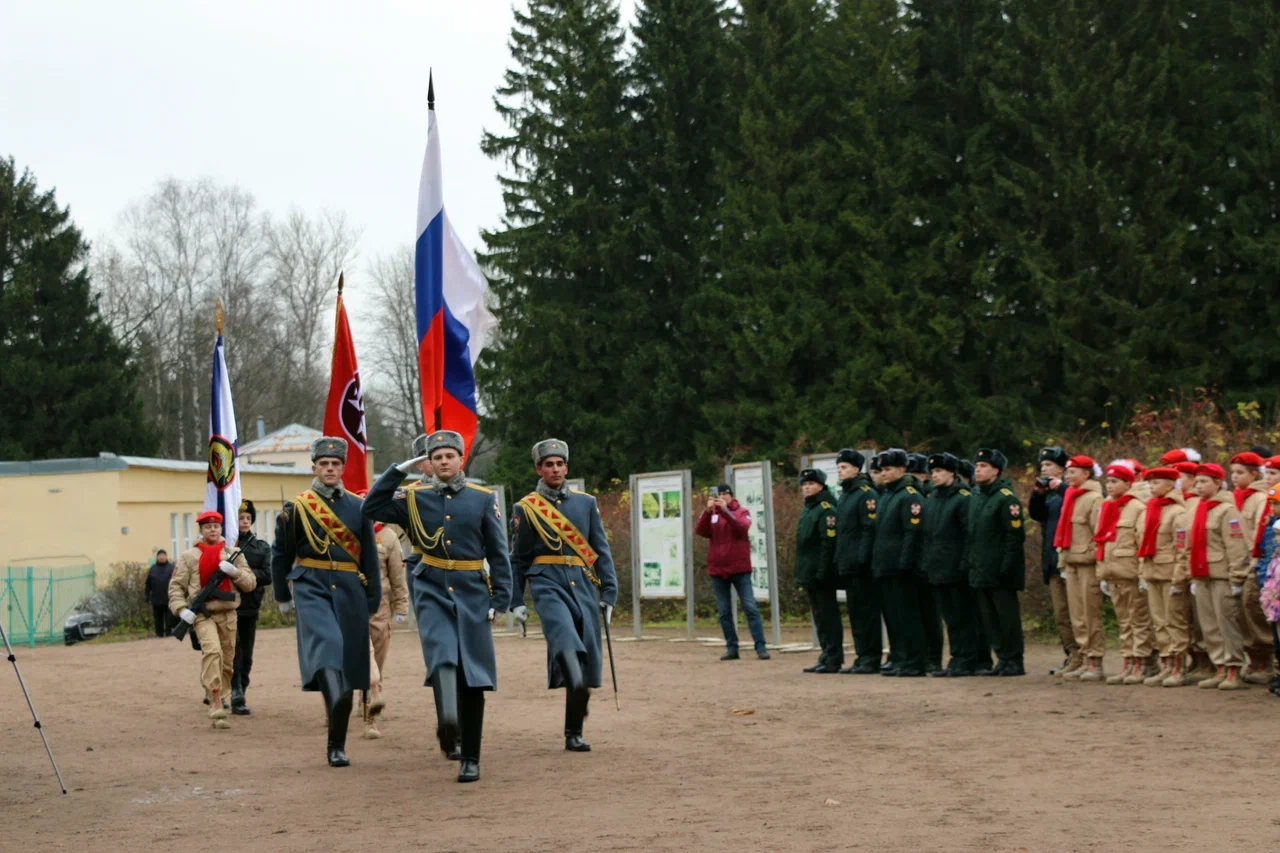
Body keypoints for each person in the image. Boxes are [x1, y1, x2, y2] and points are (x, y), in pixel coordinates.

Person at [363, 430, 510, 781]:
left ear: (461, 459)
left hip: (473, 592)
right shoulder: (413, 498)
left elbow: (498, 551)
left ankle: (471, 757)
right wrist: (397, 470)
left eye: (450, 455)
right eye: (437, 456)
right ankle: (447, 723)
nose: (444, 461)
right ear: (428, 463)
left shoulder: (481, 497)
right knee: (443, 654)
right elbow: (370, 507)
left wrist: (501, 596)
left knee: (474, 675)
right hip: (431, 588)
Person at [271, 436, 382, 767]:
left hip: (350, 588)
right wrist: (281, 595)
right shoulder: (297, 508)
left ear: (343, 468)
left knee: (348, 666)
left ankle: (337, 743)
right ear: (314, 468)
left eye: (335, 464)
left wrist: (373, 597)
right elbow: (281, 555)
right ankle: (335, 701)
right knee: (328, 647)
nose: (330, 469)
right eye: (324, 464)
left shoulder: (359, 507)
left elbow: (370, 557)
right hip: (311, 586)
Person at [510, 439, 618, 753]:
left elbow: (600, 551)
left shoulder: (585, 503)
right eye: (548, 464)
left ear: (566, 467)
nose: (555, 469)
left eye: (559, 464)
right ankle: (575, 683)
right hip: (546, 584)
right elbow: (519, 559)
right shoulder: (526, 507)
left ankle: (574, 732)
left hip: (582, 585)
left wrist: (609, 592)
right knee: (566, 642)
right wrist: (516, 600)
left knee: (585, 656)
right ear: (538, 469)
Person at [168, 511, 253, 729]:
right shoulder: (189, 556)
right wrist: (181, 609)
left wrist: (235, 572)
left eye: (216, 526)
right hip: (202, 614)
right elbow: (176, 587)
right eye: (208, 527)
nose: (212, 530)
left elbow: (250, 583)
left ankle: (219, 693)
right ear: (201, 531)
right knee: (212, 651)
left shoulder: (233, 553)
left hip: (228, 615)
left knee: (227, 663)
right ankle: (215, 701)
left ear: (221, 529)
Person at [1180, 462, 1250, 690]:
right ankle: (1219, 666)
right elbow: (1189, 546)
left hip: (1221, 575)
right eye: (1197, 481)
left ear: (1218, 484)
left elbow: (1236, 546)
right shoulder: (1197, 509)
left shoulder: (1226, 510)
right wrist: (1191, 575)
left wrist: (1237, 577)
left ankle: (1233, 669)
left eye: (1204, 482)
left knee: (1226, 623)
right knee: (1209, 625)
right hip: (1201, 575)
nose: (1198, 486)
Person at [966, 448, 1026, 676]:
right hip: (980, 568)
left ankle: (1014, 659)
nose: (977, 470)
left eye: (983, 466)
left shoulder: (1006, 498)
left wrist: (1006, 568)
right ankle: (1002, 658)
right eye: (976, 466)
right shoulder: (977, 497)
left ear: (996, 471)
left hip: (1001, 571)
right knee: (989, 619)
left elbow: (1014, 537)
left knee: (1007, 618)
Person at [1094, 463, 1154, 685]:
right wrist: (1102, 572)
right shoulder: (1107, 506)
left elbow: (1141, 541)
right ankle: (1128, 661)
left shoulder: (1137, 507)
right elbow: (1101, 541)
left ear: (1128, 484)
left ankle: (1142, 662)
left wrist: (1142, 574)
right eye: (1108, 481)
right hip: (1112, 572)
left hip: (1130, 572)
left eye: (1115, 482)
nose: (1110, 486)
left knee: (1138, 619)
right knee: (1124, 621)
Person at [356, 490, 410, 739]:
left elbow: (398, 577)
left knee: (377, 659)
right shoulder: (349, 533)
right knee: (362, 661)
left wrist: (401, 608)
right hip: (353, 604)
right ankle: (370, 717)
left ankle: (365, 697)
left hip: (379, 606)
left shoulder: (388, 537)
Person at [695, 484, 769, 661]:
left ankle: (760, 647)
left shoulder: (741, 512)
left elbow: (741, 528)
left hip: (740, 569)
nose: (720, 497)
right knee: (724, 612)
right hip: (718, 571)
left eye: (724, 494)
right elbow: (700, 531)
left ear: (731, 496)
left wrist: (726, 512)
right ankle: (732, 648)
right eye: (717, 494)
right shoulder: (711, 515)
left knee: (750, 607)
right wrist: (707, 512)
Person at [871, 449, 927, 677]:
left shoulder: (910, 495)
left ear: (902, 469)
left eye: (889, 469)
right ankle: (899, 657)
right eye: (882, 469)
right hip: (885, 565)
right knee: (893, 617)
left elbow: (912, 533)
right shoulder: (886, 495)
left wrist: (905, 562)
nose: (884, 473)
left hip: (902, 567)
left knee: (908, 616)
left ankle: (915, 661)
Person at [922, 453, 978, 676]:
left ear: (952, 473)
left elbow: (968, 535)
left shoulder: (963, 498)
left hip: (956, 567)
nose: (934, 475)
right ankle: (957, 657)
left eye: (939, 471)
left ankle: (966, 659)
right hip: (937, 567)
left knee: (962, 616)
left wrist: (964, 563)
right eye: (933, 471)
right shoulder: (933, 499)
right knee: (950, 618)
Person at [1135, 466, 1191, 687]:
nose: (1151, 486)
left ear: (1170, 485)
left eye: (1156, 483)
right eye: (1150, 483)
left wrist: (1179, 578)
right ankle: (1166, 663)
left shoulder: (1177, 512)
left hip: (1169, 573)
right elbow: (1142, 544)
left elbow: (1182, 548)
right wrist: (1142, 573)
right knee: (1159, 622)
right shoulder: (1150, 508)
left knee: (1174, 621)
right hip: (1152, 572)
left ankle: (1179, 666)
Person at [1055, 455, 1106, 681]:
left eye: (1073, 471)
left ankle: (1095, 660)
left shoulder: (1094, 499)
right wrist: (1063, 560)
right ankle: (1083, 658)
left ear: (1086, 474)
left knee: (1090, 613)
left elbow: (1099, 533)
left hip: (1087, 563)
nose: (1068, 475)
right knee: (1077, 615)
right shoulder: (1072, 496)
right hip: (1072, 562)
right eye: (1067, 471)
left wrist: (1095, 558)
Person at [1029, 446, 1079, 675]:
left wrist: (1061, 488)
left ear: (1062, 468)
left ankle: (1085, 655)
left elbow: (1076, 501)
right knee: (1061, 614)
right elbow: (1036, 515)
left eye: (1049, 465)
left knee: (1077, 611)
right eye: (1042, 466)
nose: (1045, 470)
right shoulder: (1050, 496)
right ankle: (1072, 655)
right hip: (1052, 560)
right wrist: (1037, 494)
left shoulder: (1072, 490)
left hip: (1071, 560)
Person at [1228, 451, 1276, 684]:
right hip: (1243, 563)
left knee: (1256, 609)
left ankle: (1265, 659)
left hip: (1260, 564)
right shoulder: (1239, 497)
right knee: (1244, 610)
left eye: (1240, 472)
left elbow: (1261, 534)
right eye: (1233, 473)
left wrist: (1257, 564)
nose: (1235, 477)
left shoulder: (1261, 499)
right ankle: (1256, 658)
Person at [834, 449, 880, 673]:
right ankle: (862, 655)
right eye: (838, 468)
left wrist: (863, 558)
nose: (840, 471)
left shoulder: (866, 493)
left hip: (861, 564)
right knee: (855, 612)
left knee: (867, 611)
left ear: (856, 469)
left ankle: (871, 656)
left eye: (844, 468)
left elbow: (868, 529)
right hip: (847, 562)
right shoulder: (845, 495)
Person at [793, 468, 841, 673]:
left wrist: (823, 571)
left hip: (822, 572)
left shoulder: (826, 509)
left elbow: (827, 543)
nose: (807, 487)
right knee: (819, 617)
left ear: (821, 486)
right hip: (809, 571)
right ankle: (826, 653)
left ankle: (834, 657)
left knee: (828, 615)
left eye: (811, 484)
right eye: (804, 485)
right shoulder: (809, 509)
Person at [229, 500, 272, 716]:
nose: (244, 522)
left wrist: (242, 574)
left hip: (250, 605)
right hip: (227, 605)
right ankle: (233, 691)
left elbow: (268, 575)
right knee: (231, 651)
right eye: (240, 518)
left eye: (247, 518)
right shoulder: (226, 545)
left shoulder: (261, 547)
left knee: (246, 653)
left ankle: (241, 689)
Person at [144, 550, 175, 638]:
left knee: (169, 617)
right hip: (156, 598)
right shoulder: (153, 568)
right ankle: (159, 634)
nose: (161, 557)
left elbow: (177, 581)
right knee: (158, 618)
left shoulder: (171, 568)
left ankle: (169, 633)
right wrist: (146, 595)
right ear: (157, 557)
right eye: (160, 555)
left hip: (169, 597)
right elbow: (148, 583)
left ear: (166, 557)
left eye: (163, 555)